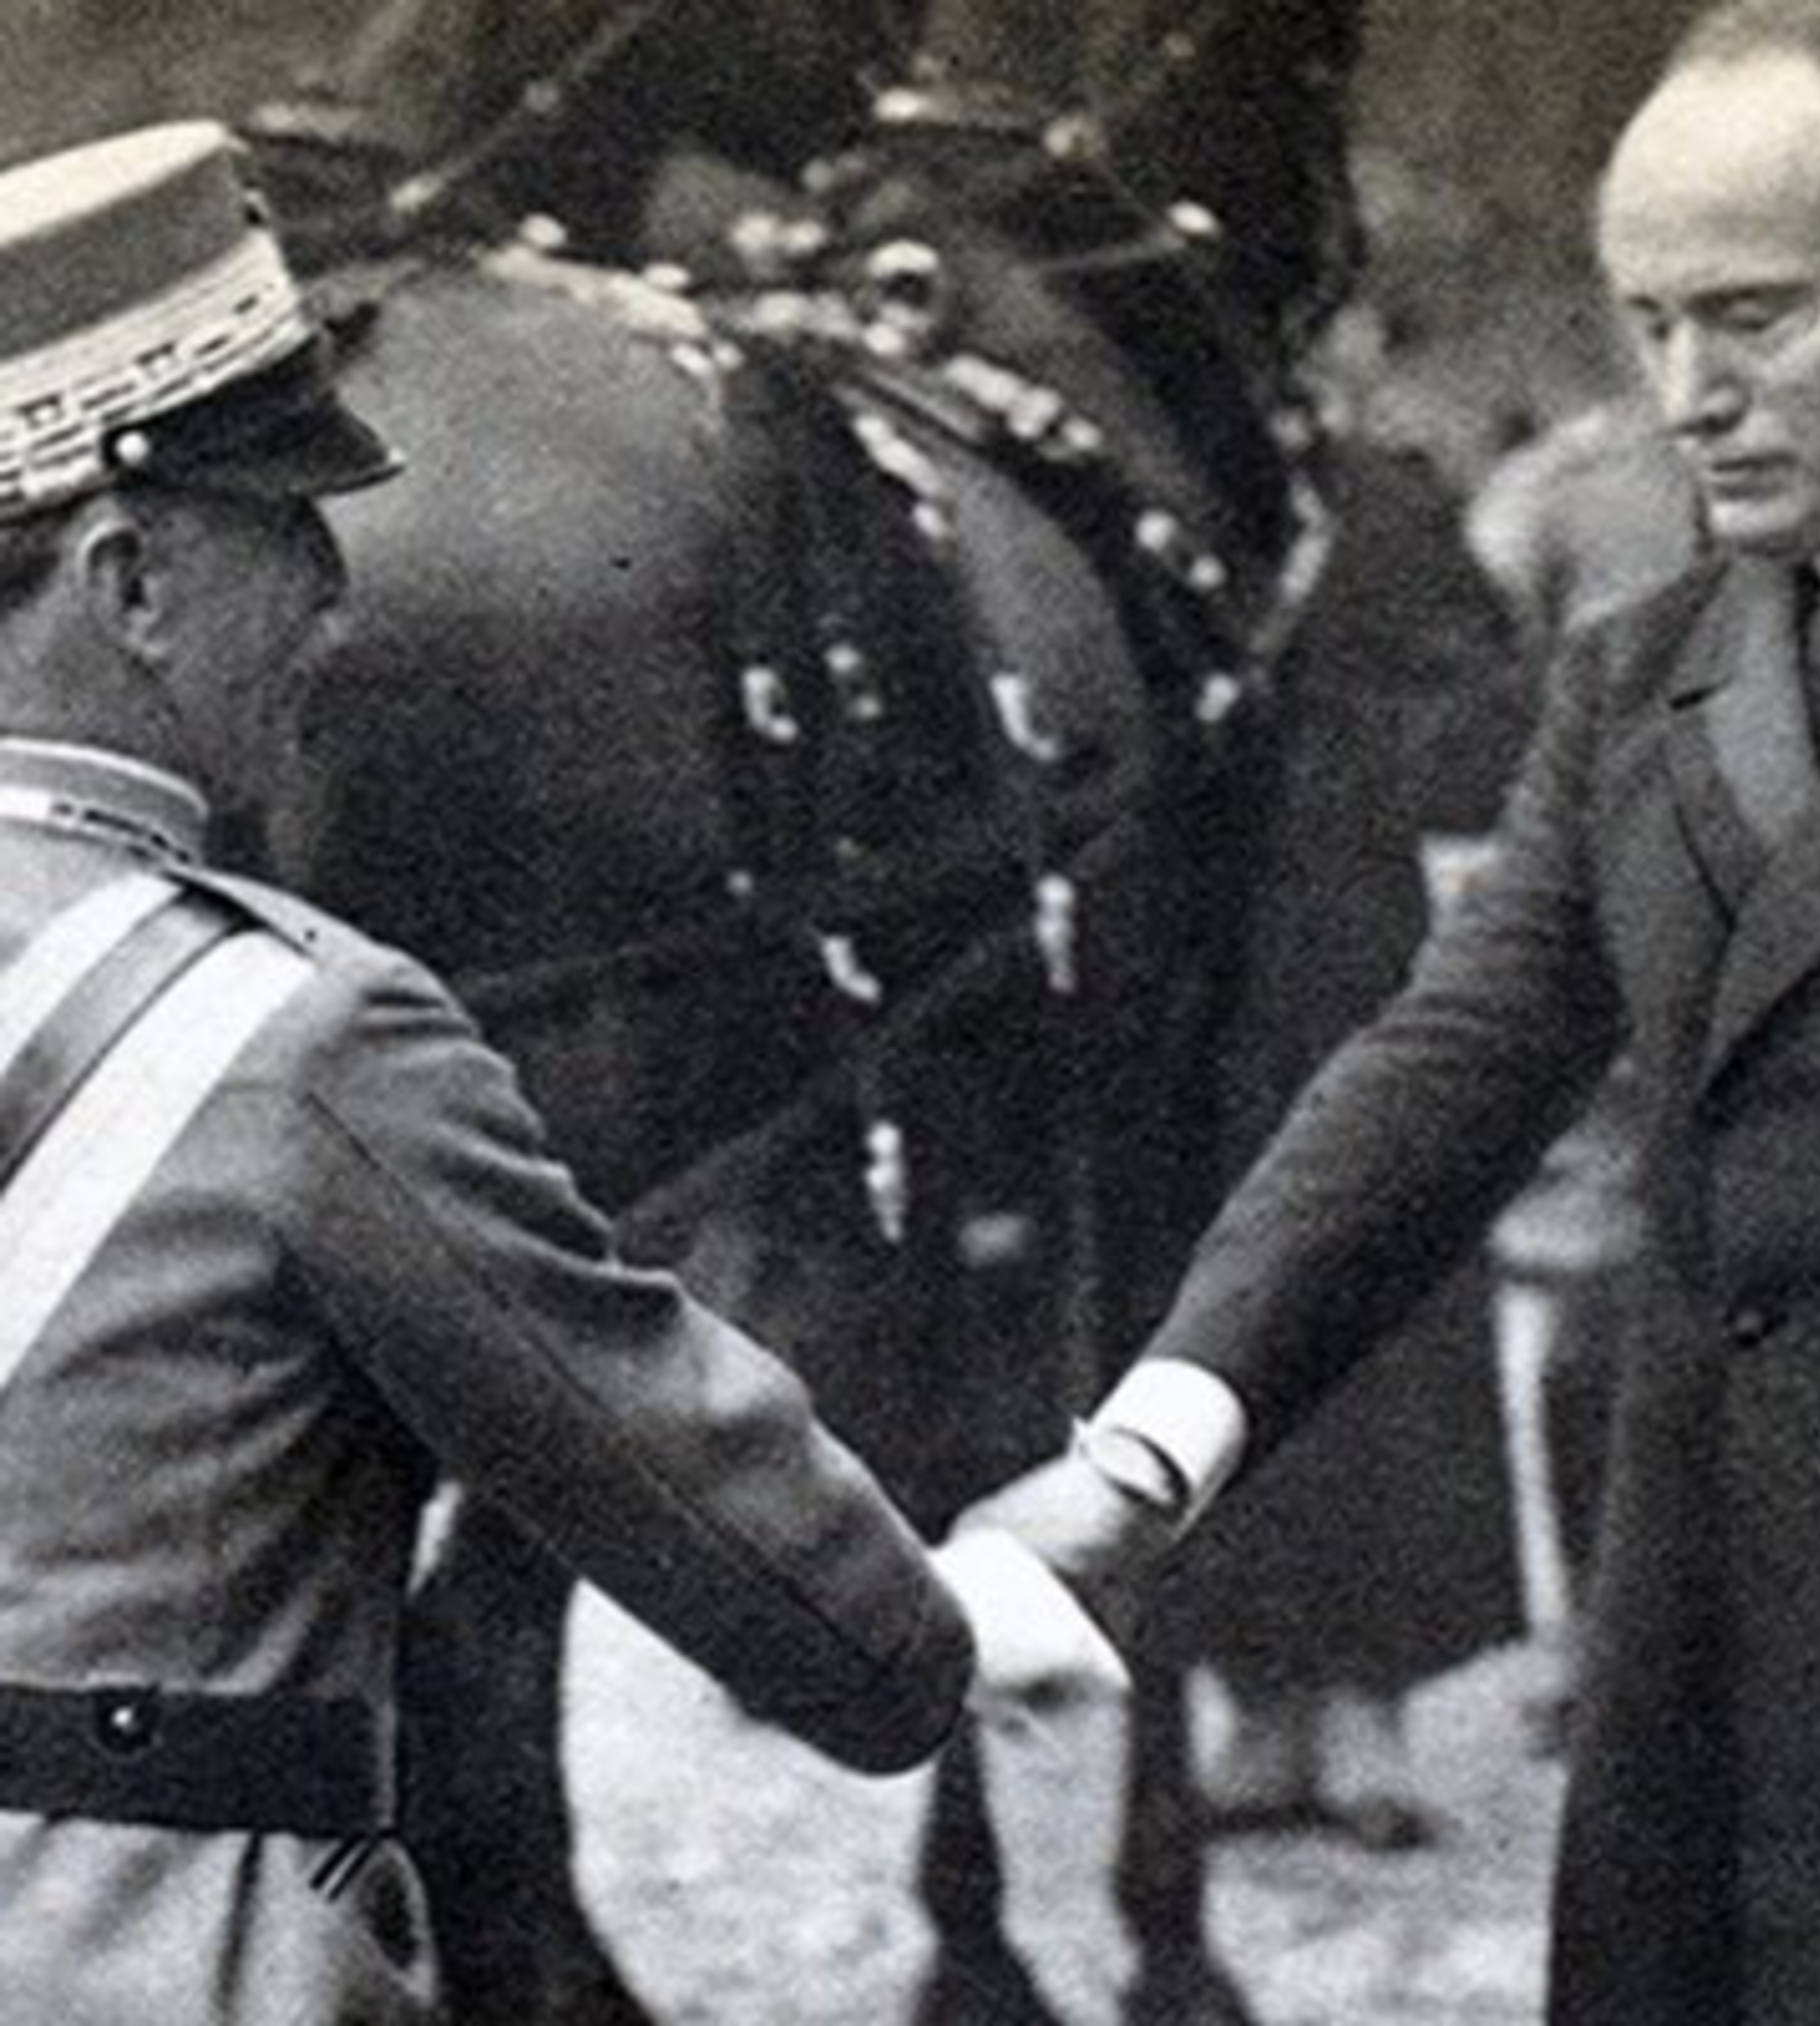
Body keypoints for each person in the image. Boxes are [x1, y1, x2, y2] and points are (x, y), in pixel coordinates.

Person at [964, 4, 1820, 2019]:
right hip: (1716, 1698)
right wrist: (1140, 1464)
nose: (1688, 398)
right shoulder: (1645, 675)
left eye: (1757, 320)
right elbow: (1449, 1068)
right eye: (1652, 326)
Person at [0, 120, 1112, 2025]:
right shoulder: (305, 1042)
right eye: (290, 533)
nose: (334, 602)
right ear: (130, 583)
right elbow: (792, 1597)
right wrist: (970, 1614)